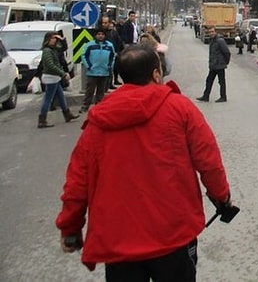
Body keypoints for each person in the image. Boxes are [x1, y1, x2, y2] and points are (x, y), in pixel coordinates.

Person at [56, 44, 236, 281]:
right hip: (173, 234)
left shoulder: (100, 119)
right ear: (156, 74)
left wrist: (70, 227)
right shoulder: (180, 108)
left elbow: (77, 181)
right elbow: (209, 161)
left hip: (120, 240)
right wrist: (221, 197)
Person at [37, 32, 80, 128]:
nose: (55, 40)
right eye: (53, 38)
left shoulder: (54, 49)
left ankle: (67, 114)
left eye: (55, 39)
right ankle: (42, 120)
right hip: (50, 77)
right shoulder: (47, 51)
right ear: (47, 39)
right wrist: (63, 74)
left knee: (61, 96)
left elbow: (64, 48)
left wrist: (61, 38)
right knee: (48, 99)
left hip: (55, 78)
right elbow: (50, 66)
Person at [80, 28, 115, 113]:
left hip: (104, 72)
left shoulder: (109, 45)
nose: (100, 36)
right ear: (95, 35)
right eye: (98, 34)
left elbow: (112, 56)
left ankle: (99, 106)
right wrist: (89, 66)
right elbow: (83, 55)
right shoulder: (90, 45)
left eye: (102, 34)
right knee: (89, 91)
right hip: (92, 72)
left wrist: (110, 66)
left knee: (101, 91)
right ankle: (85, 106)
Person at [196, 26, 231, 103]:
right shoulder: (212, 40)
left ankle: (223, 97)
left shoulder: (220, 40)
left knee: (221, 81)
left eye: (212, 31)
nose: (211, 33)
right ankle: (206, 96)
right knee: (209, 80)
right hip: (213, 65)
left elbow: (227, 52)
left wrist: (226, 62)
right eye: (209, 32)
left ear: (215, 32)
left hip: (219, 65)